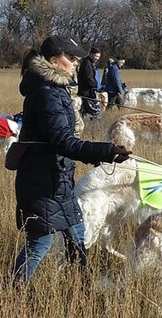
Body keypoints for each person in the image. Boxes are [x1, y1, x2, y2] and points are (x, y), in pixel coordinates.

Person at [13, 35, 130, 283]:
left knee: (78, 238)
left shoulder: (55, 89)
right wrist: (106, 152)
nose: (76, 62)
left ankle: (81, 289)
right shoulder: (47, 93)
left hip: (59, 181)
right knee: (39, 244)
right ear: (55, 60)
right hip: (42, 182)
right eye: (72, 58)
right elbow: (62, 142)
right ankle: (11, 291)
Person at [77, 46, 102, 120]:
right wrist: (95, 86)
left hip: (89, 91)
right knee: (94, 111)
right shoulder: (87, 63)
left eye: (98, 57)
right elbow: (88, 78)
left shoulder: (91, 63)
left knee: (84, 110)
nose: (97, 58)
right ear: (91, 54)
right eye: (96, 56)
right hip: (87, 92)